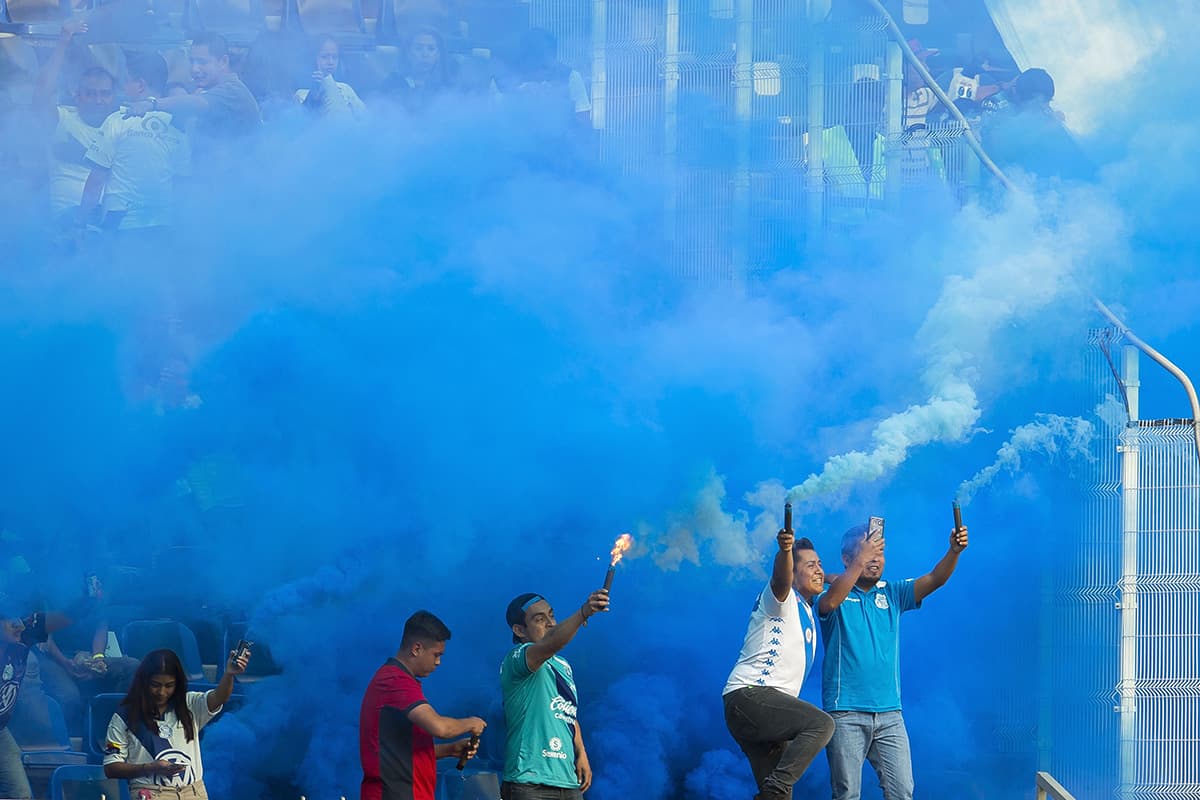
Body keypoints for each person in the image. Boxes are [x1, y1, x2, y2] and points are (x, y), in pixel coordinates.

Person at [723, 525, 881, 800]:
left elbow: (839, 585)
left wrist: (826, 572)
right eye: (810, 565)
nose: (819, 569)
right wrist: (785, 551)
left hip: (767, 711)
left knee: (778, 798)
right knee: (821, 725)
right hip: (750, 697)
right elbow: (781, 578)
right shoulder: (781, 599)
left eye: (820, 564)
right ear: (793, 574)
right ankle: (773, 790)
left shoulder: (807, 607)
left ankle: (773, 793)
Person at [817, 520, 969, 800]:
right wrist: (854, 566)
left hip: (890, 714)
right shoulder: (832, 595)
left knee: (902, 792)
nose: (875, 559)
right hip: (845, 710)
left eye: (880, 553)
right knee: (847, 794)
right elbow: (828, 605)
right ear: (847, 559)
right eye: (867, 552)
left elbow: (935, 578)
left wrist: (954, 551)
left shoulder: (892, 592)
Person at [358, 610, 485, 800]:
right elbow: (440, 727)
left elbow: (402, 753)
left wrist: (450, 750)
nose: (438, 662)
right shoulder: (394, 681)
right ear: (416, 649)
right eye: (436, 655)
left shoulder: (398, 681)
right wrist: (472, 723)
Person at [500, 588, 608, 800]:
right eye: (540, 619)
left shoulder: (563, 665)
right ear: (519, 630)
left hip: (567, 781)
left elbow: (567, 713)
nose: (550, 623)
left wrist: (581, 753)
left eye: (551, 615)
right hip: (529, 782)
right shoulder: (517, 658)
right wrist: (583, 613)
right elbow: (551, 642)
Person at [103, 646, 251, 798]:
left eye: (169, 686)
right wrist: (150, 768)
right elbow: (110, 767)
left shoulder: (190, 704)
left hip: (194, 791)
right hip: (151, 792)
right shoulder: (124, 716)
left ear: (178, 684)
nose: (162, 692)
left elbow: (219, 697)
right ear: (144, 682)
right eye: (155, 685)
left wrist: (229, 674)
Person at [80, 52, 190, 234]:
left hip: (120, 225)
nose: (123, 87)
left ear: (140, 85)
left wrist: (80, 222)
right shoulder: (177, 127)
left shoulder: (118, 120)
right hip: (163, 226)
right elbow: (182, 184)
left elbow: (96, 180)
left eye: (126, 80)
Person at [124, 33, 260, 170]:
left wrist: (151, 104)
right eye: (192, 61)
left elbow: (198, 103)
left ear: (223, 62)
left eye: (202, 62)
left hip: (239, 176)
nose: (194, 69)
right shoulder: (206, 91)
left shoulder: (232, 90)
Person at [33, 18, 117, 227]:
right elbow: (41, 93)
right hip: (68, 217)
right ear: (77, 95)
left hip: (108, 219)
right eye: (91, 94)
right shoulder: (63, 119)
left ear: (113, 96)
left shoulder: (119, 124)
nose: (98, 100)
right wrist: (63, 40)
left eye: (105, 94)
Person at [378, 27, 456, 114]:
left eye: (431, 49)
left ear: (438, 54)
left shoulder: (447, 86)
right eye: (418, 48)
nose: (425, 54)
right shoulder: (392, 84)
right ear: (408, 53)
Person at [0, 606, 35, 800]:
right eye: (10, 620)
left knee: (20, 795)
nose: (19, 626)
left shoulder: (19, 647)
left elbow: (60, 618)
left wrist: (87, 599)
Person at [297, 36, 367, 120]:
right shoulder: (301, 94)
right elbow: (301, 121)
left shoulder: (346, 89)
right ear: (313, 58)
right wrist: (313, 95)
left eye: (334, 57)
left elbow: (366, 119)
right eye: (324, 57)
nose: (330, 62)